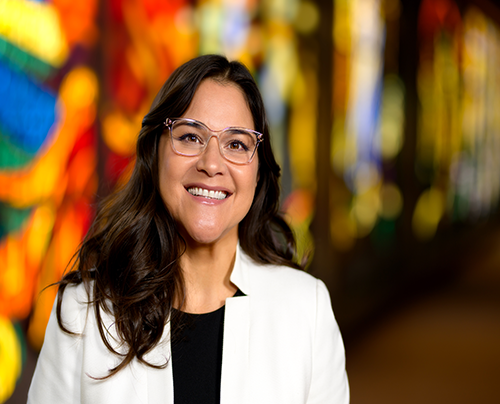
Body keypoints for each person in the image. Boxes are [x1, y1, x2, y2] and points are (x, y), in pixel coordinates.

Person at [27, 54, 349, 404]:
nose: (211, 164)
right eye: (191, 137)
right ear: (155, 153)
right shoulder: (85, 311)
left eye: (236, 144)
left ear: (258, 173)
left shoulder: (305, 309)